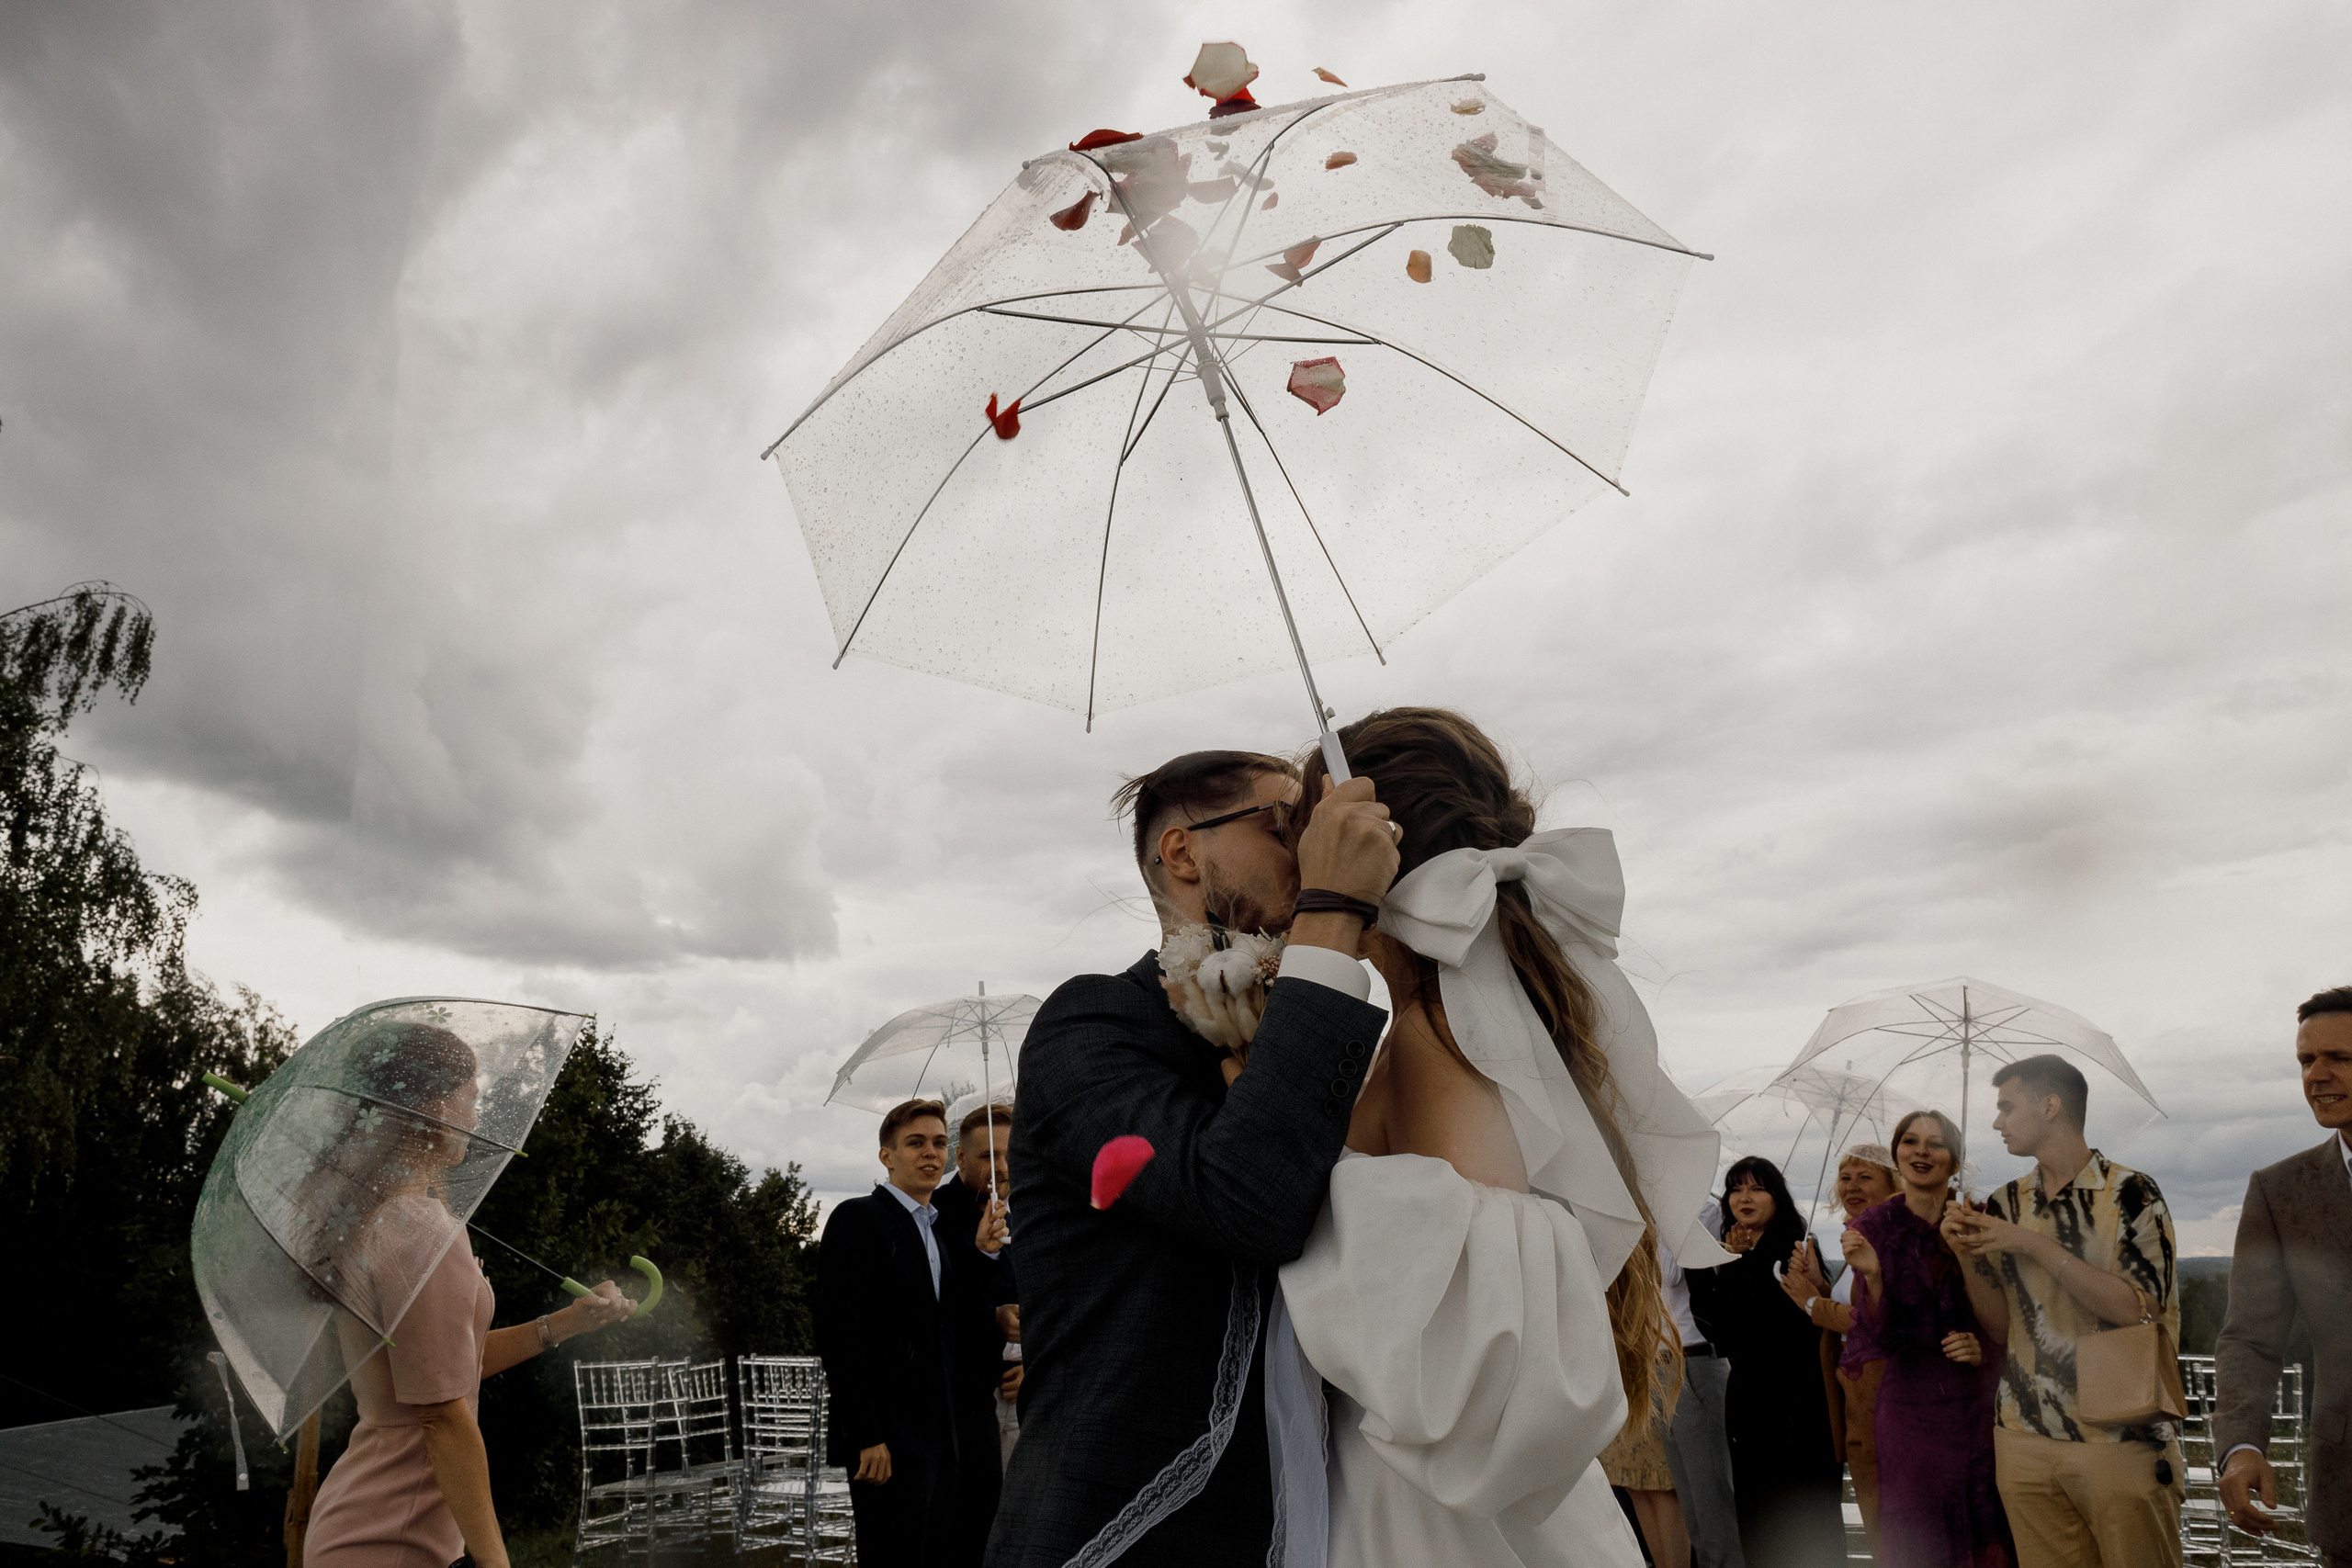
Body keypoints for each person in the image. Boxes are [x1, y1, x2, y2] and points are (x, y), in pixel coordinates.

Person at [1274, 709, 1730, 1567]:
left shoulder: (1434, 1036)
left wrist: (1279, 1140)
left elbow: (1487, 1333)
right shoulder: (1473, 1018)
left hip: (1426, 1504)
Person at [986, 750, 1396, 1567]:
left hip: (1312, 1519)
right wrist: (1331, 909)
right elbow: (1246, 1199)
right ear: (1181, 851)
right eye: (1285, 824)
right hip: (1123, 1532)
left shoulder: (1314, 1035)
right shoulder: (1090, 1023)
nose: (1310, 846)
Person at [306, 1023, 638, 1568]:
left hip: (370, 1525)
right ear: (433, 1108)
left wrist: (570, 1321)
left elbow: (443, 1372)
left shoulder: (378, 1220)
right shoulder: (421, 1233)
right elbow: (442, 1417)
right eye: (472, 1097)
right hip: (392, 1539)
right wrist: (495, 1562)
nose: (477, 1117)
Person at [1943, 1054, 2182, 1568]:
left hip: (2120, 1438)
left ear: (2050, 1106)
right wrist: (1965, 1257)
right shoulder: (2004, 1203)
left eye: (2007, 1107)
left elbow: (2139, 1310)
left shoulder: (2132, 1193)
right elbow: (2002, 1327)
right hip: (2021, 1438)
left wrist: (2033, 1245)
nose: (1997, 1122)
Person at [817, 1099, 1007, 1568]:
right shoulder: (858, 1217)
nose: (930, 1153)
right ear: (887, 1156)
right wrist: (866, 1435)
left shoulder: (937, 1229)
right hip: (887, 1443)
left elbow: (952, 1323)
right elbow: (838, 1334)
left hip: (942, 1439)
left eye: (939, 1143)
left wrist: (984, 1254)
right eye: (916, 1143)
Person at [1839, 1110, 2015, 1568]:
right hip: (1908, 1412)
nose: (1921, 1151)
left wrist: (1983, 1348)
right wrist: (1874, 1278)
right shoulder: (1873, 1227)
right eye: (1910, 1142)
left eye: (1936, 1144)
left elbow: (2012, 1316)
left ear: (1954, 1161)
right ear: (1897, 1154)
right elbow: (1876, 1338)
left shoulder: (1979, 1220)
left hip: (1976, 1408)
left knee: (1985, 1527)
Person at [2215, 986, 2352, 1566]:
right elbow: (2250, 1338)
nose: (2316, 1075)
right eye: (2305, 1060)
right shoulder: (2280, 1192)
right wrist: (2242, 1445)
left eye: (2339, 1058)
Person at [1687, 1156, 1847, 1568]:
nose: (1745, 1197)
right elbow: (1715, 1328)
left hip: (1795, 1407)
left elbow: (1754, 1326)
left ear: (1777, 1197)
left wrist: (1737, 1263)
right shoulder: (1741, 1252)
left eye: (1757, 1188)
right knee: (1758, 1521)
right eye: (1736, 1188)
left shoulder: (1795, 1248)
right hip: (1750, 1404)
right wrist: (1719, 1262)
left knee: (1801, 1523)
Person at [1781, 1144, 1897, 1550]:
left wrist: (1811, 1303)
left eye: (1865, 1177)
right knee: (1876, 1521)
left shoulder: (1892, 1241)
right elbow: (1853, 1305)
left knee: (1891, 1520)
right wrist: (1819, 1283)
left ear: (1894, 1185)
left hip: (1885, 1394)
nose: (1852, 1186)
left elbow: (1878, 1322)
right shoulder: (1859, 1238)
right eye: (1845, 1178)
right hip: (1856, 1396)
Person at [932, 1103, 1020, 1562]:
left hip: (1026, 1394)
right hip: (964, 1403)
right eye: (988, 1156)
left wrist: (1033, 1356)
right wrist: (994, 1317)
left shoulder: (1028, 1210)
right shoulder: (934, 1216)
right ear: (960, 1158)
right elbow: (938, 1308)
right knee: (972, 1534)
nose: (1000, 1167)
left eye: (1008, 1155)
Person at [1660, 1228, 1746, 1568]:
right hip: (1661, 1363)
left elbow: (1671, 1272)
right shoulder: (1649, 1221)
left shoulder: (1699, 1214)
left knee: (1713, 1501)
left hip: (1696, 1361)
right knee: (1693, 1507)